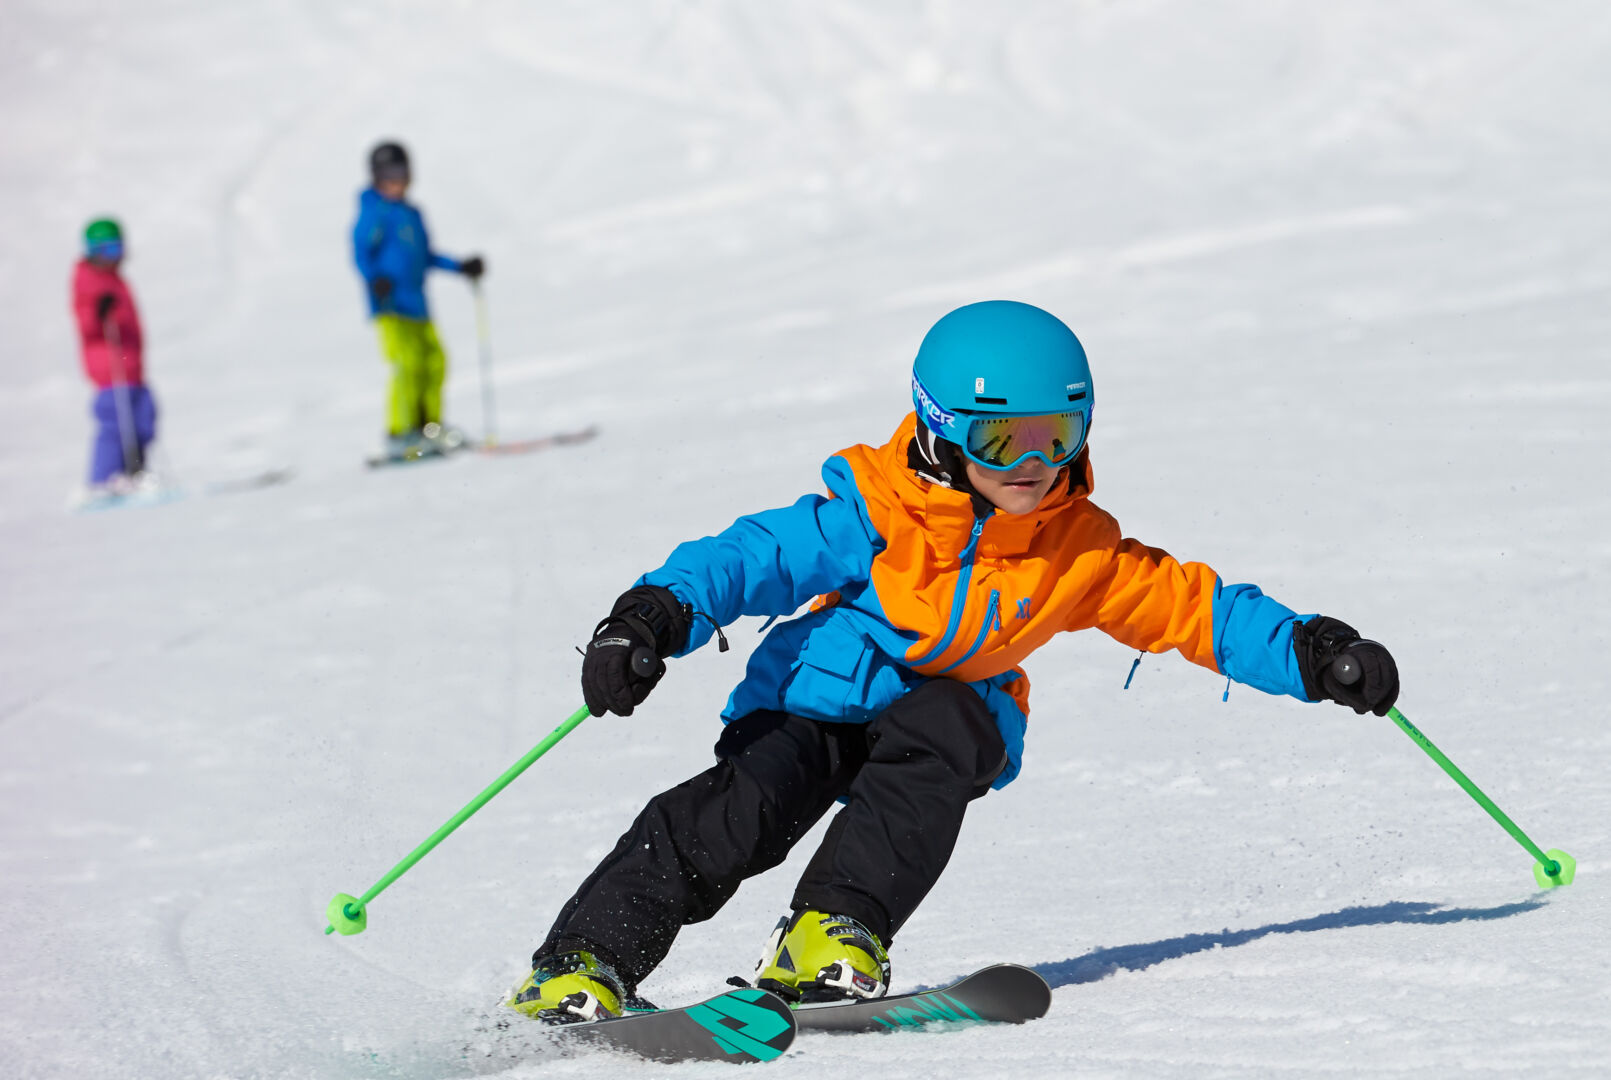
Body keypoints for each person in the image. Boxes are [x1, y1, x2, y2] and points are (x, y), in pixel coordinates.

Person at [505, 301, 1401, 1023]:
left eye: (1058, 434)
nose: (1035, 465)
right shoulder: (874, 510)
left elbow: (1191, 609)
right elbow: (752, 557)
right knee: (738, 815)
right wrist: (652, 617)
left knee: (951, 727)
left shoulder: (1075, 551)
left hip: (934, 724)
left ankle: (832, 931)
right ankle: (585, 959)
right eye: (1002, 441)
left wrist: (1309, 651)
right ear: (941, 432)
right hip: (813, 701)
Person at [350, 141, 485, 460]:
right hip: (390, 305)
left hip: (417, 304)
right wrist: (374, 278)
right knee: (407, 365)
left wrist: (461, 266)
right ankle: (400, 433)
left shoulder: (412, 213)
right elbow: (360, 252)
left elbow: (424, 256)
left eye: (401, 173)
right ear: (375, 177)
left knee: (435, 361)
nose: (395, 182)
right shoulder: (373, 213)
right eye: (388, 175)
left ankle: (430, 428)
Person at [71, 217, 158, 494]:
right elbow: (86, 323)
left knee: (144, 419)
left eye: (117, 249)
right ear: (91, 251)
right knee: (116, 425)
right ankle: (103, 481)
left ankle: (135, 474)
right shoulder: (87, 280)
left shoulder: (116, 279)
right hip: (110, 370)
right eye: (105, 250)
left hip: (131, 367)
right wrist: (98, 313)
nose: (113, 257)